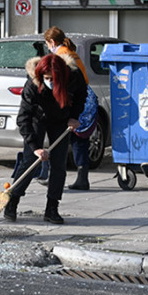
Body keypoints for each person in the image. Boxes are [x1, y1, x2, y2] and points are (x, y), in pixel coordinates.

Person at [4, 53, 88, 224]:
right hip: (38, 119)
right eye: (46, 78)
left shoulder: (73, 77)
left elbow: (81, 95)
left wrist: (74, 116)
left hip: (61, 120)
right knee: (29, 161)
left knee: (58, 164)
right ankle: (12, 201)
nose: (49, 81)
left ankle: (52, 208)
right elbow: (23, 118)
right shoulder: (33, 84)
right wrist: (36, 147)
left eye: (53, 78)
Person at [44, 26, 94, 190]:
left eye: (47, 43)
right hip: (86, 97)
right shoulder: (70, 52)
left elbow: (62, 83)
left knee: (70, 138)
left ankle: (56, 174)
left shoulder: (60, 56)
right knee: (80, 139)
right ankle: (82, 177)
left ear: (51, 42)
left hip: (77, 99)